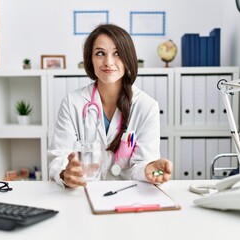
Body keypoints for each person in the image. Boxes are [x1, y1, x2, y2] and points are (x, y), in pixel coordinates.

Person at [48, 24, 172, 188]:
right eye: (100, 53)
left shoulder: (146, 107)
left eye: (117, 53)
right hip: (82, 193)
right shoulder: (73, 103)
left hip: (126, 197)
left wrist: (150, 169)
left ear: (128, 59)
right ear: (90, 60)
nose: (108, 62)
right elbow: (59, 157)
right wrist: (65, 173)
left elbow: (142, 165)